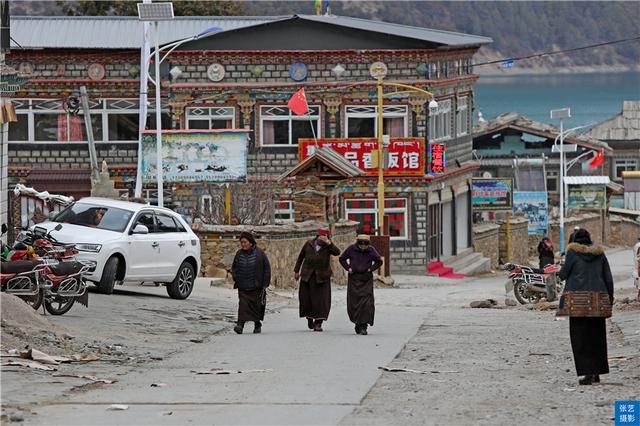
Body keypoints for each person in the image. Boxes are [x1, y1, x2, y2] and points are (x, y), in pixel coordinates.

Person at [558, 229, 614, 385]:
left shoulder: (572, 254)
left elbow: (562, 275)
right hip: (598, 301)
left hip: (577, 303)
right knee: (597, 337)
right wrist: (609, 299)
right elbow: (608, 278)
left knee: (580, 338)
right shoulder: (600, 254)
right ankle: (596, 372)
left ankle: (587, 372)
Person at [294, 228, 341, 332]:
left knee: (321, 301)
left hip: (322, 277)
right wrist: (296, 271)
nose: (323, 238)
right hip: (308, 276)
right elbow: (301, 257)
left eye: (325, 237)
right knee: (306, 298)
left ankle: (318, 323)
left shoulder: (328, 246)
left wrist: (329, 243)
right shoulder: (309, 244)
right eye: (321, 236)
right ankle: (309, 318)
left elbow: (337, 252)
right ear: (317, 236)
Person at [339, 235, 383, 335]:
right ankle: (357, 324)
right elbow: (342, 258)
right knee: (354, 302)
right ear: (357, 243)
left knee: (367, 303)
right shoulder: (351, 249)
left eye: (366, 244)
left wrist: (370, 269)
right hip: (354, 279)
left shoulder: (371, 250)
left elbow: (379, 261)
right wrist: (348, 268)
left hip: (366, 279)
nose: (363, 246)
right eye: (361, 243)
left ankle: (363, 326)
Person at [230, 231, 271, 334]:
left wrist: (265, 283)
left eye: (245, 242)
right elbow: (234, 267)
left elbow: (266, 268)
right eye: (242, 242)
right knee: (243, 305)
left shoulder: (260, 254)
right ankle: (240, 325)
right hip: (243, 285)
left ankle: (257, 324)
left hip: (256, 286)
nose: (243, 244)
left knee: (256, 306)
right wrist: (236, 277)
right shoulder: (239, 254)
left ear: (251, 243)